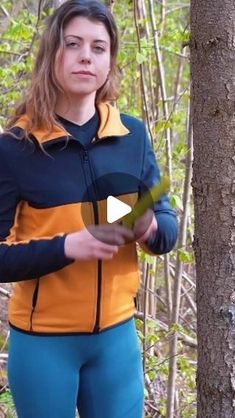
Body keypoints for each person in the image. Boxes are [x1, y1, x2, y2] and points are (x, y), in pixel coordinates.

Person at [0, 1, 178, 417]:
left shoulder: (131, 135)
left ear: (110, 60)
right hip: (43, 343)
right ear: (52, 56)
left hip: (116, 342)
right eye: (73, 44)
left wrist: (147, 226)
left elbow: (167, 229)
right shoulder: (14, 148)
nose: (86, 56)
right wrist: (67, 247)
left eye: (99, 47)